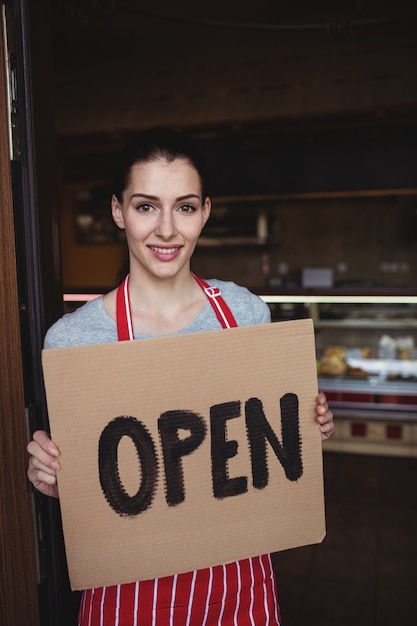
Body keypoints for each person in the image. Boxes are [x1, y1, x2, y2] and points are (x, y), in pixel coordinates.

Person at [27, 127, 335, 625]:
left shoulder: (245, 312)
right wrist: (56, 474)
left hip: (239, 585)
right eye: (146, 206)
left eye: (185, 207)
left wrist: (308, 425)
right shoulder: (72, 340)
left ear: (205, 212)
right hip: (128, 593)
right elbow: (86, 479)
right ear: (117, 211)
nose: (167, 229)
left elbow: (269, 451)